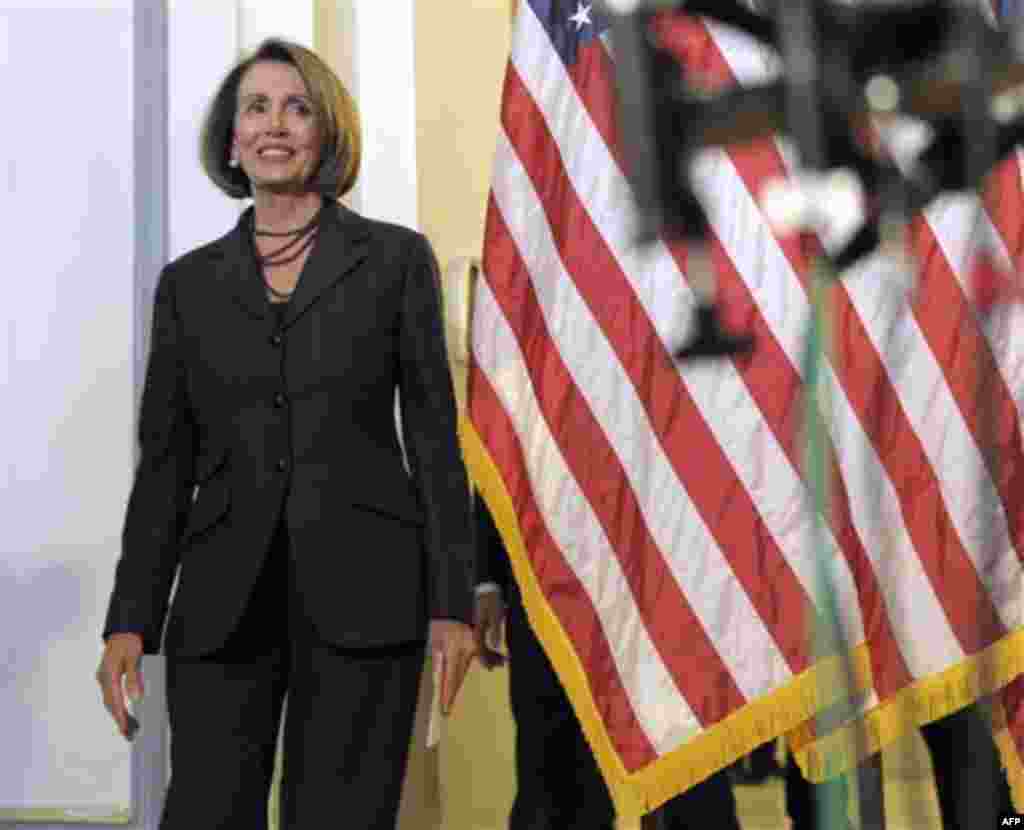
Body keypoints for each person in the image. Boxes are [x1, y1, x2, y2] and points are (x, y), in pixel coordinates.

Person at [95, 38, 477, 830]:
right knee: (204, 810)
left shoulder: (395, 262)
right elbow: (166, 465)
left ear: (327, 129)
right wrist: (130, 615)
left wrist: (453, 605)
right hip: (220, 603)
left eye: (297, 107)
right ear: (232, 139)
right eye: (257, 108)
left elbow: (435, 444)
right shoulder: (188, 286)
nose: (276, 125)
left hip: (367, 600)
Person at [473, 494, 742, 830]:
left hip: (667, 557)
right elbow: (499, 446)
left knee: (690, 761)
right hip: (550, 567)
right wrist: (488, 576)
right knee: (556, 769)